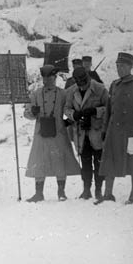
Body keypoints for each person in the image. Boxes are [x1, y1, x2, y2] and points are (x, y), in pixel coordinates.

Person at [97, 52, 133, 205]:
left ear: (130, 67)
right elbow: (109, 110)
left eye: (122, 66)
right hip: (113, 133)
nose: (119, 69)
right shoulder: (114, 85)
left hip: (131, 133)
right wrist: (104, 130)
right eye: (117, 66)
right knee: (109, 162)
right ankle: (108, 194)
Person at [23, 65, 81, 202]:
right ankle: (39, 193)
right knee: (39, 161)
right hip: (41, 132)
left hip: (58, 132)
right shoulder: (36, 94)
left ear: (55, 78)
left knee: (60, 161)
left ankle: (61, 192)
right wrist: (32, 113)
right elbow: (27, 113)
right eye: (44, 78)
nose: (46, 80)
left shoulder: (63, 94)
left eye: (49, 78)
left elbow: (69, 111)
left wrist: (67, 122)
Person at [64, 66, 109, 200]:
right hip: (81, 134)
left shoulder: (100, 89)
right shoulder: (71, 91)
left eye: (84, 83)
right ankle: (86, 190)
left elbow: (109, 108)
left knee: (99, 163)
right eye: (79, 84)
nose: (82, 86)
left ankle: (98, 190)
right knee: (85, 163)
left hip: (97, 133)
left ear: (88, 78)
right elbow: (66, 108)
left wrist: (95, 111)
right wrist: (74, 115)